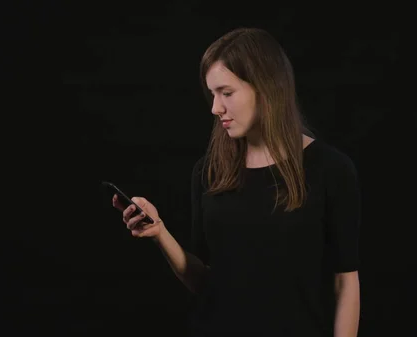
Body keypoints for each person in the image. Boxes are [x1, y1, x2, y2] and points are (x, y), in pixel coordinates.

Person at [112, 27, 361, 337]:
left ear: (266, 87)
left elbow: (345, 281)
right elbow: (205, 280)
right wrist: (159, 232)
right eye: (212, 94)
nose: (216, 108)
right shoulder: (208, 172)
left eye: (226, 93)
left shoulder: (331, 169)